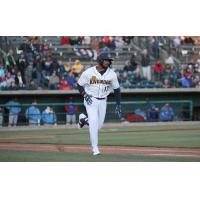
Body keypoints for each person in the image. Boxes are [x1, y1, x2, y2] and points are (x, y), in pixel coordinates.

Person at [77, 53, 121, 155]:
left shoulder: (112, 74)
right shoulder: (89, 72)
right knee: (93, 121)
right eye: (106, 60)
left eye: (109, 60)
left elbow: (117, 90)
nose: (108, 62)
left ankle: (83, 119)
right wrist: (84, 94)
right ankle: (95, 148)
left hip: (103, 100)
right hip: (90, 99)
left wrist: (118, 104)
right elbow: (79, 85)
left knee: (98, 126)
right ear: (100, 60)